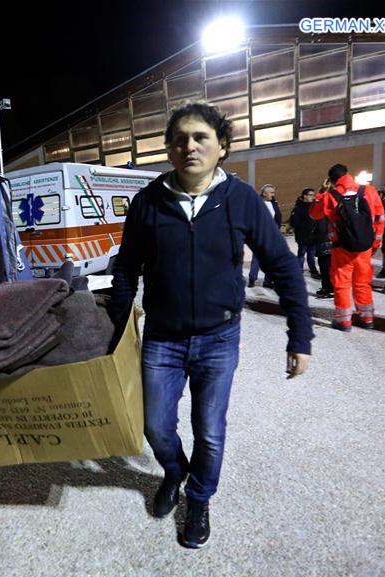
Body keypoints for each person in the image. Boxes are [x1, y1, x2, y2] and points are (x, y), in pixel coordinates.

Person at [109, 102, 312, 549]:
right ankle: (175, 472)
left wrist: (300, 335)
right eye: (179, 139)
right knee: (156, 427)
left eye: (200, 137)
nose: (189, 146)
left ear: (222, 146)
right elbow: (126, 270)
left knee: (210, 430)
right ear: (168, 149)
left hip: (219, 338)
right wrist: (116, 335)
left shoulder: (242, 200)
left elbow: (281, 264)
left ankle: (199, 498)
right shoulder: (147, 203)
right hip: (162, 337)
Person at [309, 164, 385, 331]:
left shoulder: (331, 195)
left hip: (341, 246)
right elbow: (380, 218)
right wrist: (374, 244)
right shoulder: (369, 191)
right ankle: (367, 318)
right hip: (364, 247)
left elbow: (314, 214)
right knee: (362, 282)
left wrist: (322, 192)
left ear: (331, 180)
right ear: (348, 174)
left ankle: (344, 321)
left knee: (342, 283)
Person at [247, 183, 283, 288]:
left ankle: (268, 281)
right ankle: (252, 278)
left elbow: (278, 217)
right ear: (263, 193)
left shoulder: (274, 203)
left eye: (273, 192)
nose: (273, 194)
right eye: (271, 192)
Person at [289, 188, 321, 279]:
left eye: (313, 195)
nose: (313, 197)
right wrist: (306, 226)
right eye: (310, 195)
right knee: (301, 254)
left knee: (311, 255)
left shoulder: (314, 206)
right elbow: (293, 223)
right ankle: (298, 271)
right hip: (303, 236)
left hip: (313, 236)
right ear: (305, 196)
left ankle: (313, 271)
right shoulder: (298, 208)